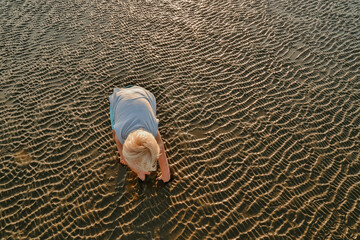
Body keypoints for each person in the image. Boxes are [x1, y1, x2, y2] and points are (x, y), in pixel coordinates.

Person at [109, 85, 170, 182]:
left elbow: (160, 146)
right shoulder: (120, 132)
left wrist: (166, 174)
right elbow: (117, 140)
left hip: (143, 94)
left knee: (149, 112)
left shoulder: (152, 128)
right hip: (119, 98)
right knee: (114, 126)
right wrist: (123, 156)